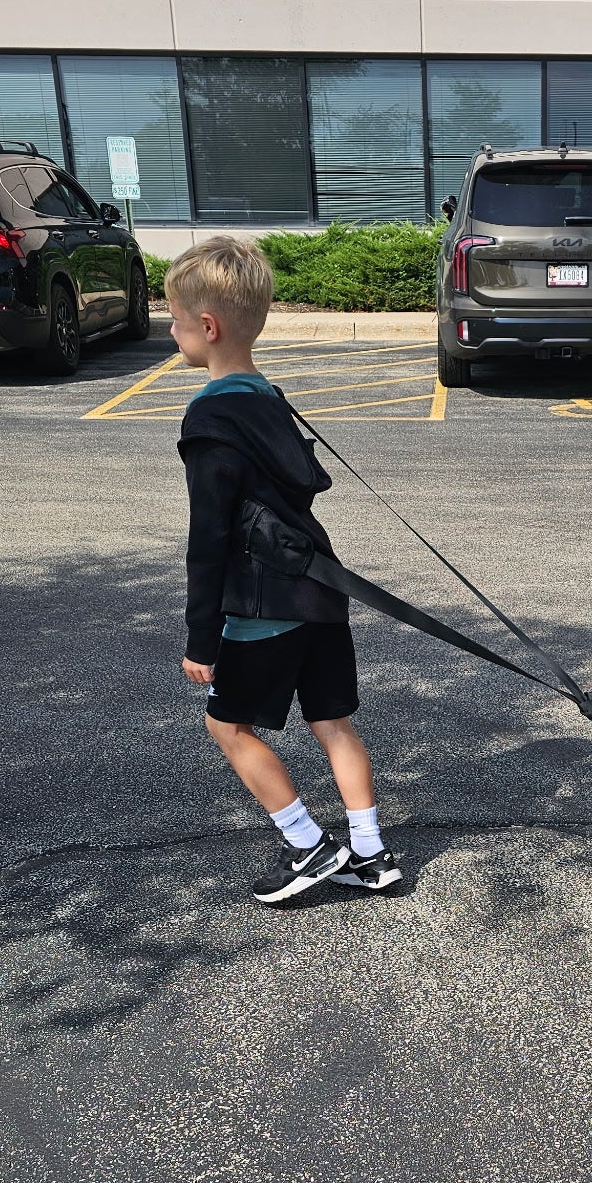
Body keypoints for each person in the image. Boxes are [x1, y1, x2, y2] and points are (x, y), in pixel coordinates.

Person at [166, 236, 402, 903]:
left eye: (177, 324)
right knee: (332, 720)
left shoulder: (210, 415)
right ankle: (370, 852)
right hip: (321, 588)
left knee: (226, 725)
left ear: (207, 328)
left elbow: (208, 537)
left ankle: (306, 843)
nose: (175, 335)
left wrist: (200, 638)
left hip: (262, 604)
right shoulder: (268, 397)